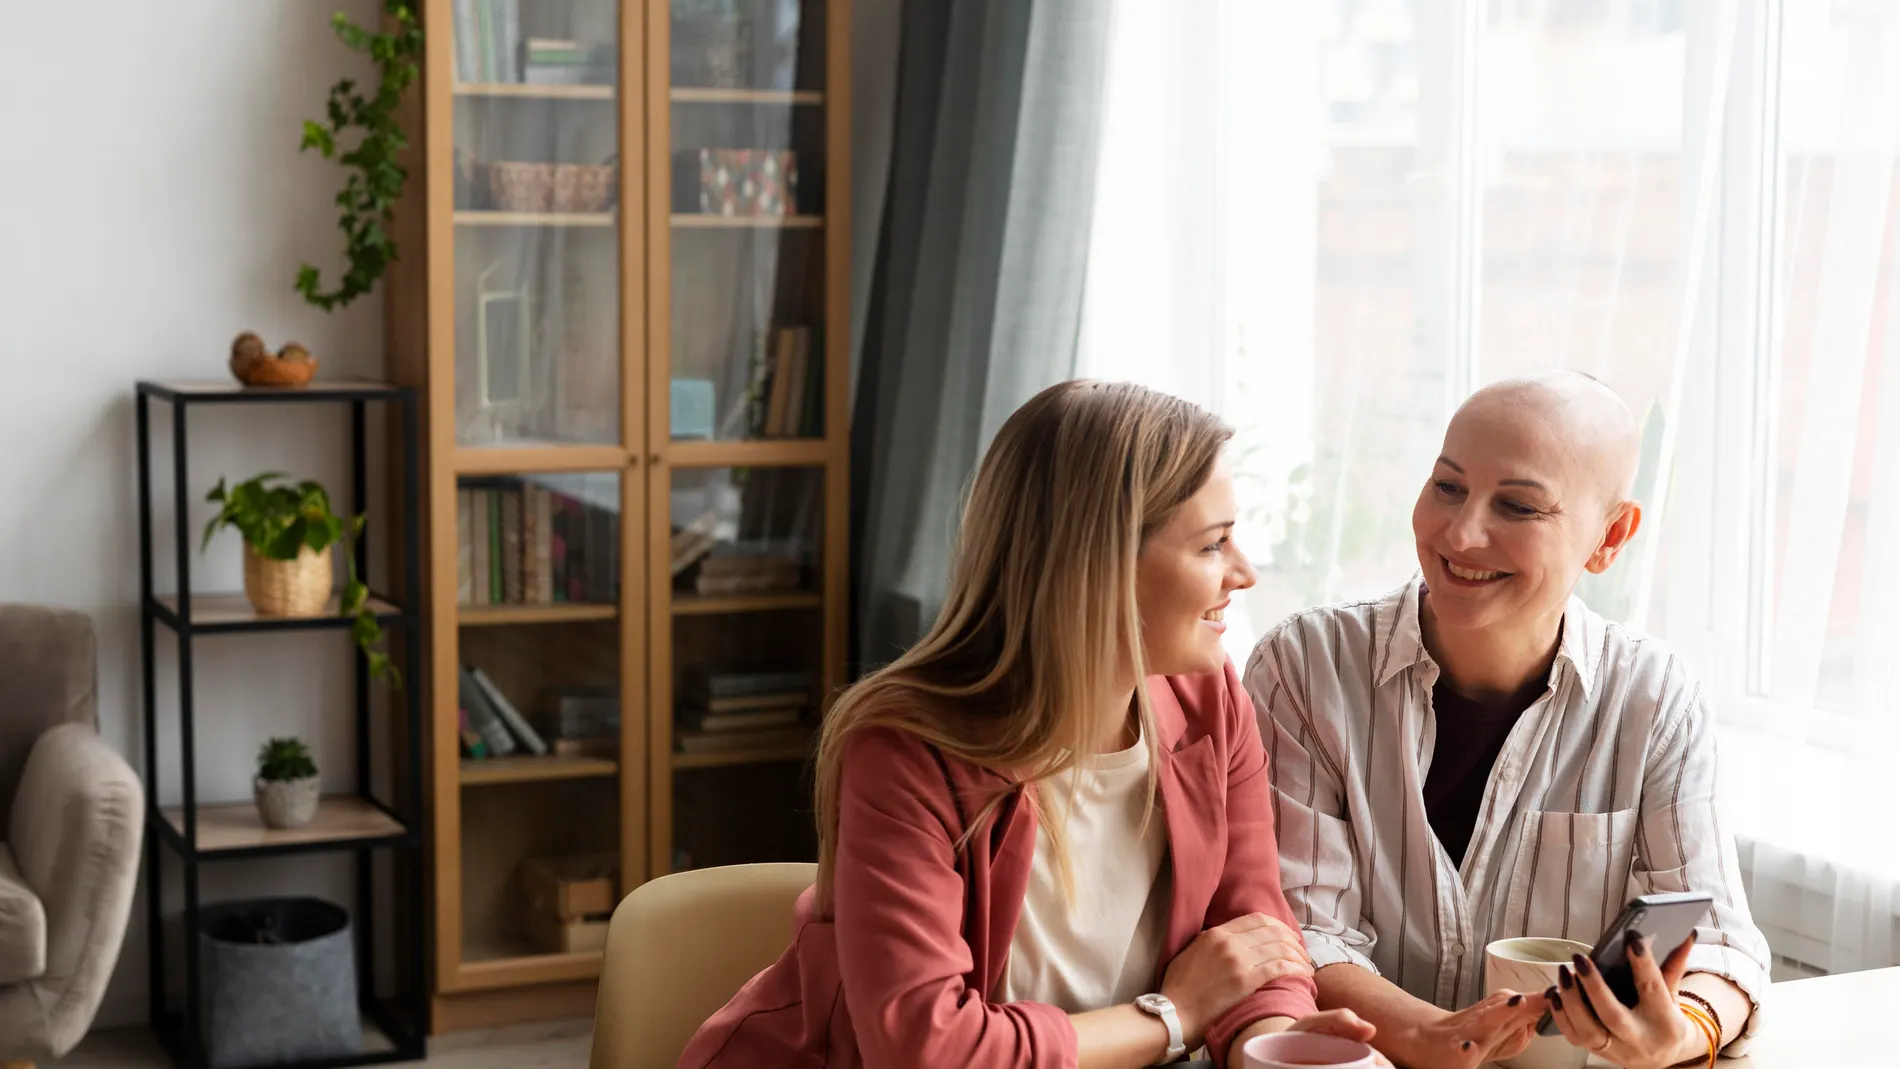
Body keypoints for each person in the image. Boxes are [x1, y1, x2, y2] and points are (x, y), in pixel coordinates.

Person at [680, 381, 1380, 1069]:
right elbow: (928, 1048)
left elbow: (1253, 935)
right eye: (1212, 545)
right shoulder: (904, 752)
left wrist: (1279, 1039)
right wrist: (1173, 1016)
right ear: (1099, 565)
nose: (1245, 572)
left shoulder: (1211, 702)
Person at [1246, 372, 1772, 1069]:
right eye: (1448, 486)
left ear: (1610, 536)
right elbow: (1296, 929)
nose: (1461, 532)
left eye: (1518, 506)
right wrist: (1427, 1036)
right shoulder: (1305, 666)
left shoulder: (1653, 695)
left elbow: (1721, 941)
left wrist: (1684, 1028)